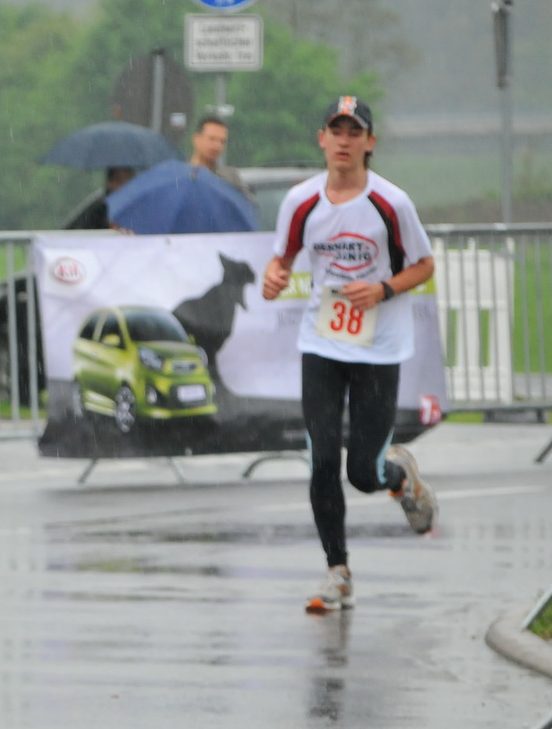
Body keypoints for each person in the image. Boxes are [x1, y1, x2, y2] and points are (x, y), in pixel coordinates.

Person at [260, 95, 439, 613]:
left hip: (379, 348)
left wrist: (382, 289)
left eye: (353, 132)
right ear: (321, 138)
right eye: (335, 131)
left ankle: (398, 476)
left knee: (362, 473)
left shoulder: (391, 203)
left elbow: (424, 265)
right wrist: (274, 276)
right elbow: (281, 258)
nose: (343, 141)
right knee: (321, 460)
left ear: (369, 143)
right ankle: (336, 571)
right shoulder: (300, 201)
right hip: (321, 343)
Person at [188, 115, 253, 200]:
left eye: (222, 141)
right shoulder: (179, 176)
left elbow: (249, 204)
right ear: (196, 139)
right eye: (212, 139)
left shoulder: (231, 178)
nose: (217, 146)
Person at [64, 165, 135, 230]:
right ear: (110, 183)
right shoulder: (100, 207)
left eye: (129, 181)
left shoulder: (133, 207)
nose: (125, 186)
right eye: (120, 180)